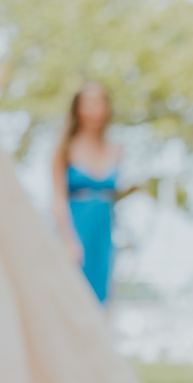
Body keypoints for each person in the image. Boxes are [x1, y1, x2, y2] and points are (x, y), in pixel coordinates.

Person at [52, 83, 122, 305]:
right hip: (77, 227)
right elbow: (57, 199)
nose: (96, 108)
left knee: (102, 297)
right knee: (73, 296)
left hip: (105, 230)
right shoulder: (64, 149)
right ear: (77, 109)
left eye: (100, 102)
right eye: (89, 103)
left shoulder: (116, 149)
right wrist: (68, 240)